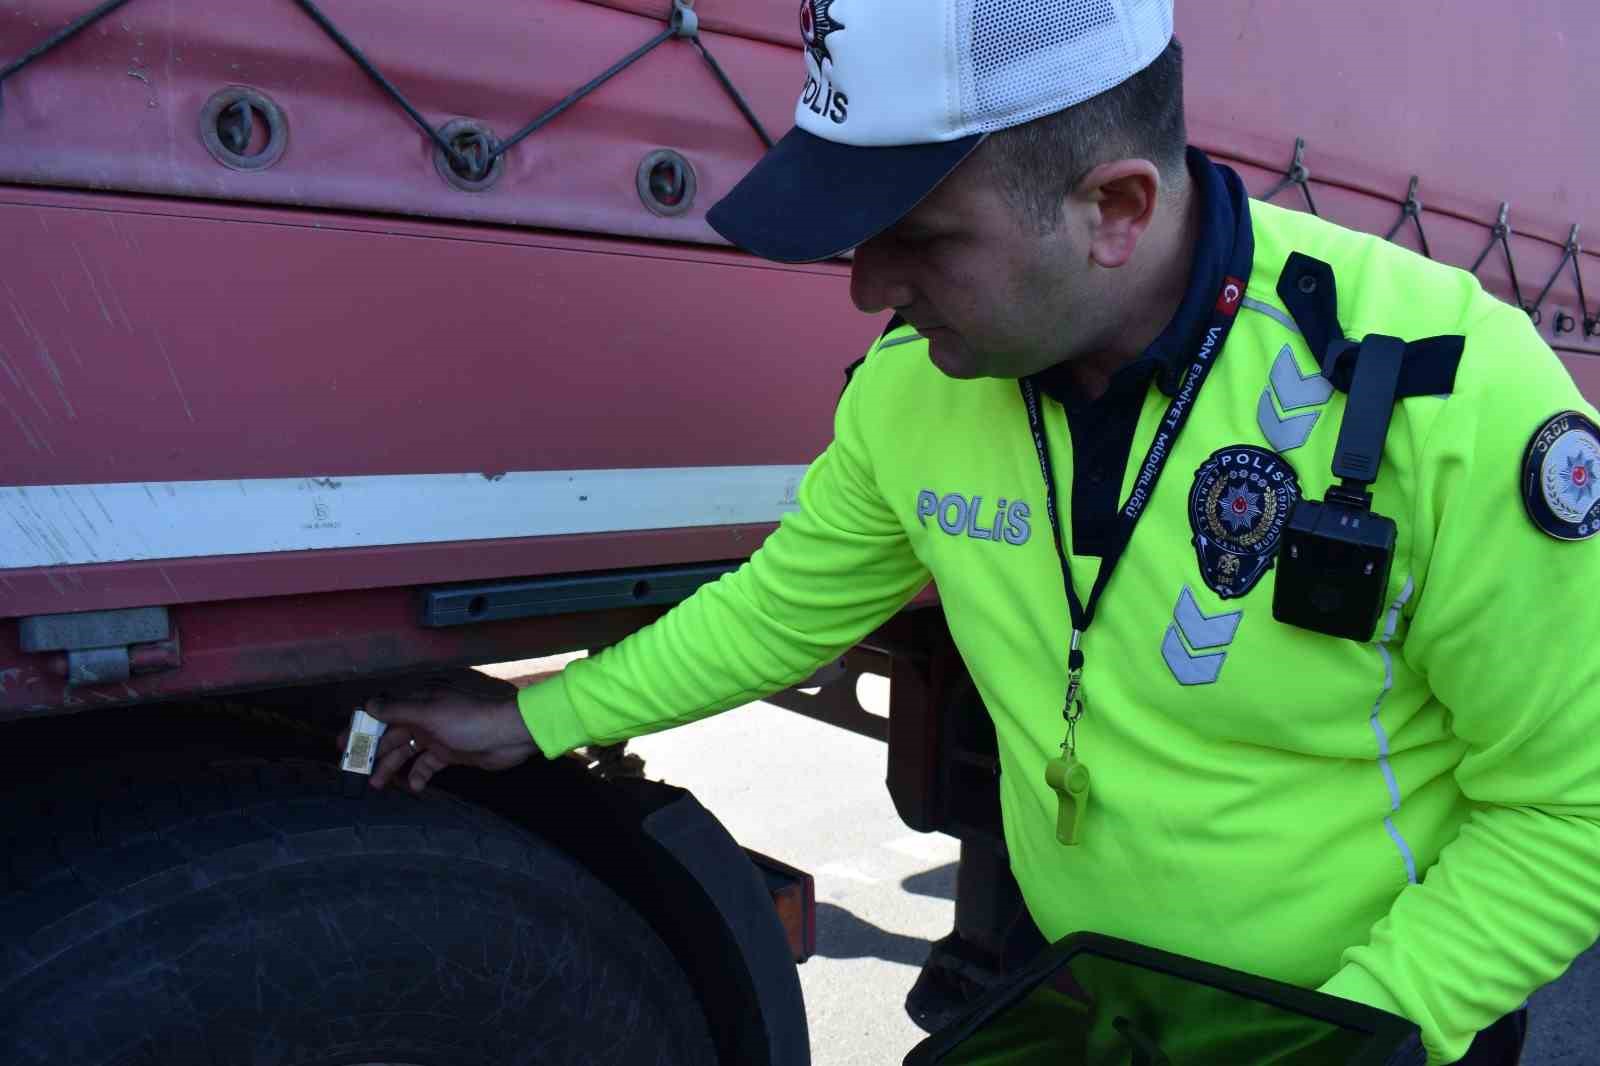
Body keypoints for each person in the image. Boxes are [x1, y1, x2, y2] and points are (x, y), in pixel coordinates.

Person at [349, 2, 1600, 1062]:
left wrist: (1353, 1034)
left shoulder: (1448, 388)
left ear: (1113, 206)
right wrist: (534, 717)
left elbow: (1567, 811)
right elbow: (779, 608)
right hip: (1082, 991)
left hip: (1362, 1021)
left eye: (922, 239)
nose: (866, 287)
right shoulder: (913, 387)